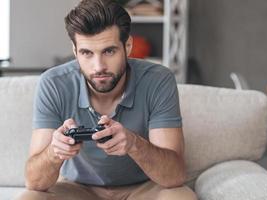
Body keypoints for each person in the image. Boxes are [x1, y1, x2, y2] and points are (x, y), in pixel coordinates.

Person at [18, 0, 197, 199]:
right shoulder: (53, 83)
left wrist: (134, 144)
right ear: (75, 51)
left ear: (128, 46)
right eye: (87, 53)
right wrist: (54, 151)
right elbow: (34, 182)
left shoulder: (158, 80)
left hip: (144, 188)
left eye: (109, 51)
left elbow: (175, 176)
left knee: (180, 197)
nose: (98, 66)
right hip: (78, 189)